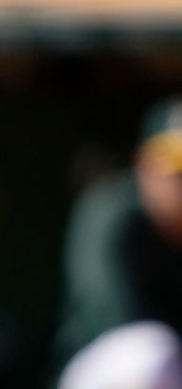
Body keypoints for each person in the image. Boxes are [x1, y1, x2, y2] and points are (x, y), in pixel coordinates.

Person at [52, 96, 182, 384]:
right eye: (177, 171)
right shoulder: (110, 215)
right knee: (150, 350)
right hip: (100, 370)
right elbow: (115, 323)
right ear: (144, 166)